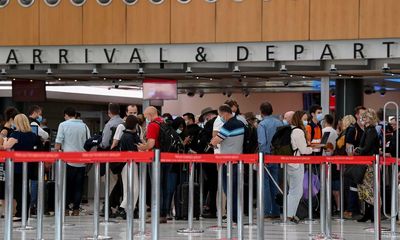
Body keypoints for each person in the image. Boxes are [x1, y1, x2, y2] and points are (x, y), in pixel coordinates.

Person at [3, 114, 42, 221]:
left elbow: (6, 147)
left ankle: (20, 212)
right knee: (25, 189)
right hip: (28, 165)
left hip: (16, 166)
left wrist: (5, 139)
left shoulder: (16, 134)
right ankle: (25, 211)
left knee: (18, 190)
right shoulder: (32, 135)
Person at [210, 105, 245, 224]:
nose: (220, 118)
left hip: (228, 162)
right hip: (238, 160)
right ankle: (236, 216)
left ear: (224, 114)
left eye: (220, 116)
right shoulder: (240, 123)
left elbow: (215, 140)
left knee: (228, 190)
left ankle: (233, 217)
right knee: (235, 190)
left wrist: (213, 143)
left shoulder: (229, 125)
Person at [55, 107, 90, 216]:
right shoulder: (84, 126)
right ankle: (75, 209)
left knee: (66, 185)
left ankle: (65, 209)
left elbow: (58, 143)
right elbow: (88, 143)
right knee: (79, 186)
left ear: (66, 115)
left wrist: (58, 151)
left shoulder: (63, 125)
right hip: (81, 160)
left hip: (67, 160)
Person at [138, 106, 169, 223]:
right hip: (166, 158)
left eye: (146, 117)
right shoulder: (163, 122)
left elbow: (151, 144)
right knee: (164, 186)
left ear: (150, 115)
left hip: (155, 159)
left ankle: (156, 214)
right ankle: (163, 214)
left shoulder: (152, 125)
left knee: (156, 186)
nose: (146, 119)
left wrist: (142, 147)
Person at [257, 102, 283, 219]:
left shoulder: (262, 124)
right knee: (275, 183)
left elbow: (262, 142)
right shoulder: (279, 122)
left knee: (265, 184)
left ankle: (266, 211)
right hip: (277, 156)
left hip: (266, 156)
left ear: (261, 111)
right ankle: (276, 211)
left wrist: (262, 156)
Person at [354, 108, 380, 223]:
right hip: (367, 163)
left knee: (369, 189)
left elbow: (366, 148)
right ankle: (368, 213)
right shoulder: (368, 130)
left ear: (370, 118)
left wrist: (358, 150)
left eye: (365, 117)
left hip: (370, 164)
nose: (363, 119)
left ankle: (373, 214)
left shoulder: (371, 131)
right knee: (365, 189)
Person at [288, 111, 314, 223]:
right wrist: (312, 149)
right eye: (304, 119)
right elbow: (304, 150)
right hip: (296, 163)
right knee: (296, 191)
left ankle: (290, 214)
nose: (306, 121)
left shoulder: (291, 129)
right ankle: (289, 215)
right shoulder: (298, 131)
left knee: (293, 190)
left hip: (289, 163)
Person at [99, 103, 124, 213]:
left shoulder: (109, 124)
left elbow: (104, 143)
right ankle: (119, 205)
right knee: (121, 182)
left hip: (111, 157)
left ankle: (109, 207)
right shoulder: (123, 122)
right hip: (123, 158)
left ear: (109, 112)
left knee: (111, 182)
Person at [115, 115, 141, 219]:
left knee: (128, 188)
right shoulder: (129, 136)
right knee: (134, 188)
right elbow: (134, 150)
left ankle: (127, 209)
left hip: (126, 165)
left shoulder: (126, 135)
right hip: (130, 164)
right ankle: (123, 208)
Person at [197, 107, 219, 218]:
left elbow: (203, 141)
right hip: (218, 156)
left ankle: (212, 208)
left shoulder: (209, 124)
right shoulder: (220, 122)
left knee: (212, 183)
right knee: (216, 183)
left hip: (209, 158)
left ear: (207, 116)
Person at [0, 107, 19, 216]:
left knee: (11, 185)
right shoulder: (5, 130)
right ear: (12, 118)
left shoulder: (13, 130)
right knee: (4, 185)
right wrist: (8, 146)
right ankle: (6, 211)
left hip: (12, 161)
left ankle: (12, 210)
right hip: (5, 162)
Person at [322, 114, 339, 213]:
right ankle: (336, 207)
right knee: (334, 185)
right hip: (333, 160)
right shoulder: (335, 132)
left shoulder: (323, 131)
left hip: (324, 159)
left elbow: (322, 144)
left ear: (325, 120)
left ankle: (327, 206)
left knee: (326, 184)